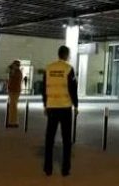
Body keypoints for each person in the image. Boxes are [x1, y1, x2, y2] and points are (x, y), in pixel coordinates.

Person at [41, 46, 79, 177]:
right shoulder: (68, 69)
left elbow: (44, 88)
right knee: (66, 139)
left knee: (49, 139)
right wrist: (76, 105)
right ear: (67, 55)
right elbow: (73, 89)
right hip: (65, 107)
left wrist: (45, 105)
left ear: (58, 55)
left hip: (51, 107)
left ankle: (48, 168)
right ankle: (65, 169)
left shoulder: (48, 68)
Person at [7, 60, 23, 128]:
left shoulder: (18, 72)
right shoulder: (14, 72)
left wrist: (12, 72)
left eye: (13, 65)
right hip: (12, 90)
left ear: (16, 65)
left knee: (13, 106)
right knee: (12, 106)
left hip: (15, 91)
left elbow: (14, 80)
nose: (12, 66)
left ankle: (14, 122)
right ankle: (11, 121)